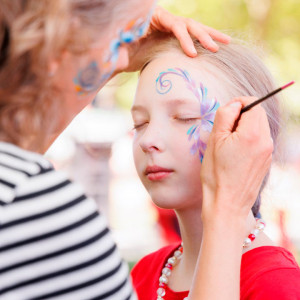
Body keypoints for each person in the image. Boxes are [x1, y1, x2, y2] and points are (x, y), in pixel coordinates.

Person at [0, 1, 233, 299]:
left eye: (185, 118)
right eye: (139, 123)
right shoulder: (37, 213)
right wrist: (228, 209)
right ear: (62, 39)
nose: (123, 59)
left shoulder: (270, 278)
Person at [130, 33, 300, 299]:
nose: (148, 140)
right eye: (140, 123)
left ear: (249, 134)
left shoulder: (275, 284)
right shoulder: (144, 273)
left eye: (185, 118)